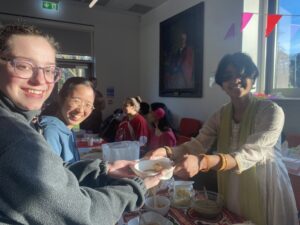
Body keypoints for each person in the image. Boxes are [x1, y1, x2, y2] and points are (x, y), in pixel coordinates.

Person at [0, 23, 161, 225]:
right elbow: (84, 216)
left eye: (49, 70)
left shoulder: (16, 124)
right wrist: (138, 185)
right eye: (23, 65)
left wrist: (105, 169)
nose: (40, 80)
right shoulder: (14, 135)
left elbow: (53, 175)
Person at [146, 52, 298, 225]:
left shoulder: (271, 111)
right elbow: (197, 144)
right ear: (222, 85)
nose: (235, 80)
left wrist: (202, 162)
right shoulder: (220, 115)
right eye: (228, 77)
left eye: (242, 74)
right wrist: (167, 152)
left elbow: (251, 152)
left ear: (253, 77)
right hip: (233, 183)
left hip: (266, 183)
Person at [39, 77, 95, 163]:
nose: (80, 110)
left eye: (88, 105)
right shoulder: (51, 131)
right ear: (61, 98)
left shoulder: (66, 128)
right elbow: (51, 173)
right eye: (76, 101)